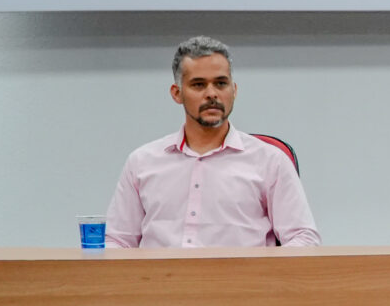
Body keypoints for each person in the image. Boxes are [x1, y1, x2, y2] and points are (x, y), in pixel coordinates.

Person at [105, 36, 320, 248]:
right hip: (160, 272)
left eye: (221, 84)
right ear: (177, 93)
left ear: (234, 91)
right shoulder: (142, 162)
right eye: (198, 85)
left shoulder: (270, 161)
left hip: (241, 272)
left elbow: (304, 238)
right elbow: (117, 241)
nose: (212, 94)